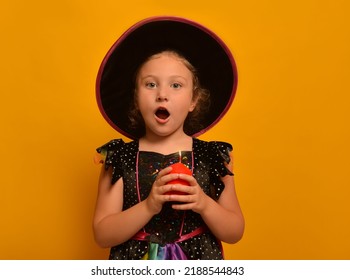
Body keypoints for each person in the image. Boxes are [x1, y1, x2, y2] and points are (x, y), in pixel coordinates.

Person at [93, 16, 244, 260]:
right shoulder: (120, 158)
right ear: (135, 98)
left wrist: (203, 203)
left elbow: (235, 231)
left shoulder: (212, 157)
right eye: (151, 84)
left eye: (176, 85)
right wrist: (149, 206)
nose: (162, 94)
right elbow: (102, 234)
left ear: (194, 99)